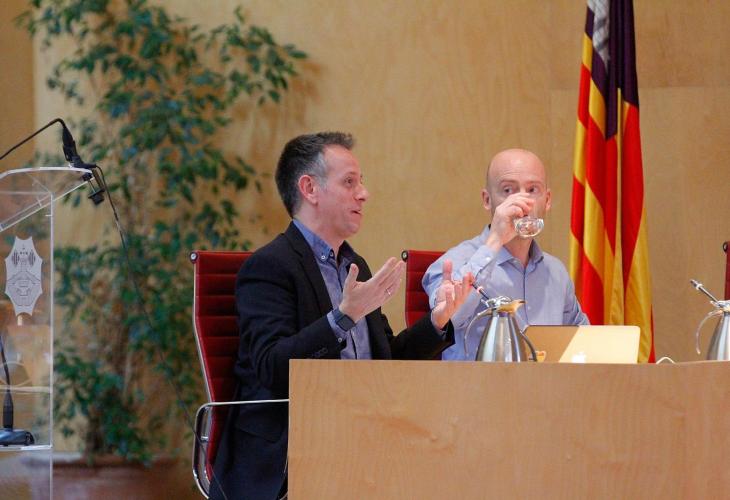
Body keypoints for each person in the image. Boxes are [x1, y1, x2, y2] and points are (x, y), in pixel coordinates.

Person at [211, 132, 474, 500]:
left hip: (363, 437)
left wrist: (437, 321)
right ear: (310, 189)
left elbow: (387, 363)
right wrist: (344, 317)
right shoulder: (270, 267)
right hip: (293, 449)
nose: (363, 194)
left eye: (361, 182)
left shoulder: (354, 266)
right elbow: (272, 368)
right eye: (349, 182)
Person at [422, 148, 588, 361]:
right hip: (480, 382)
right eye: (508, 190)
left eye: (532, 190)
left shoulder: (556, 272)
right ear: (487, 200)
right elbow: (447, 321)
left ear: (547, 201)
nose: (521, 202)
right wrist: (495, 241)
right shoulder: (452, 263)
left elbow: (583, 343)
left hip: (546, 382)